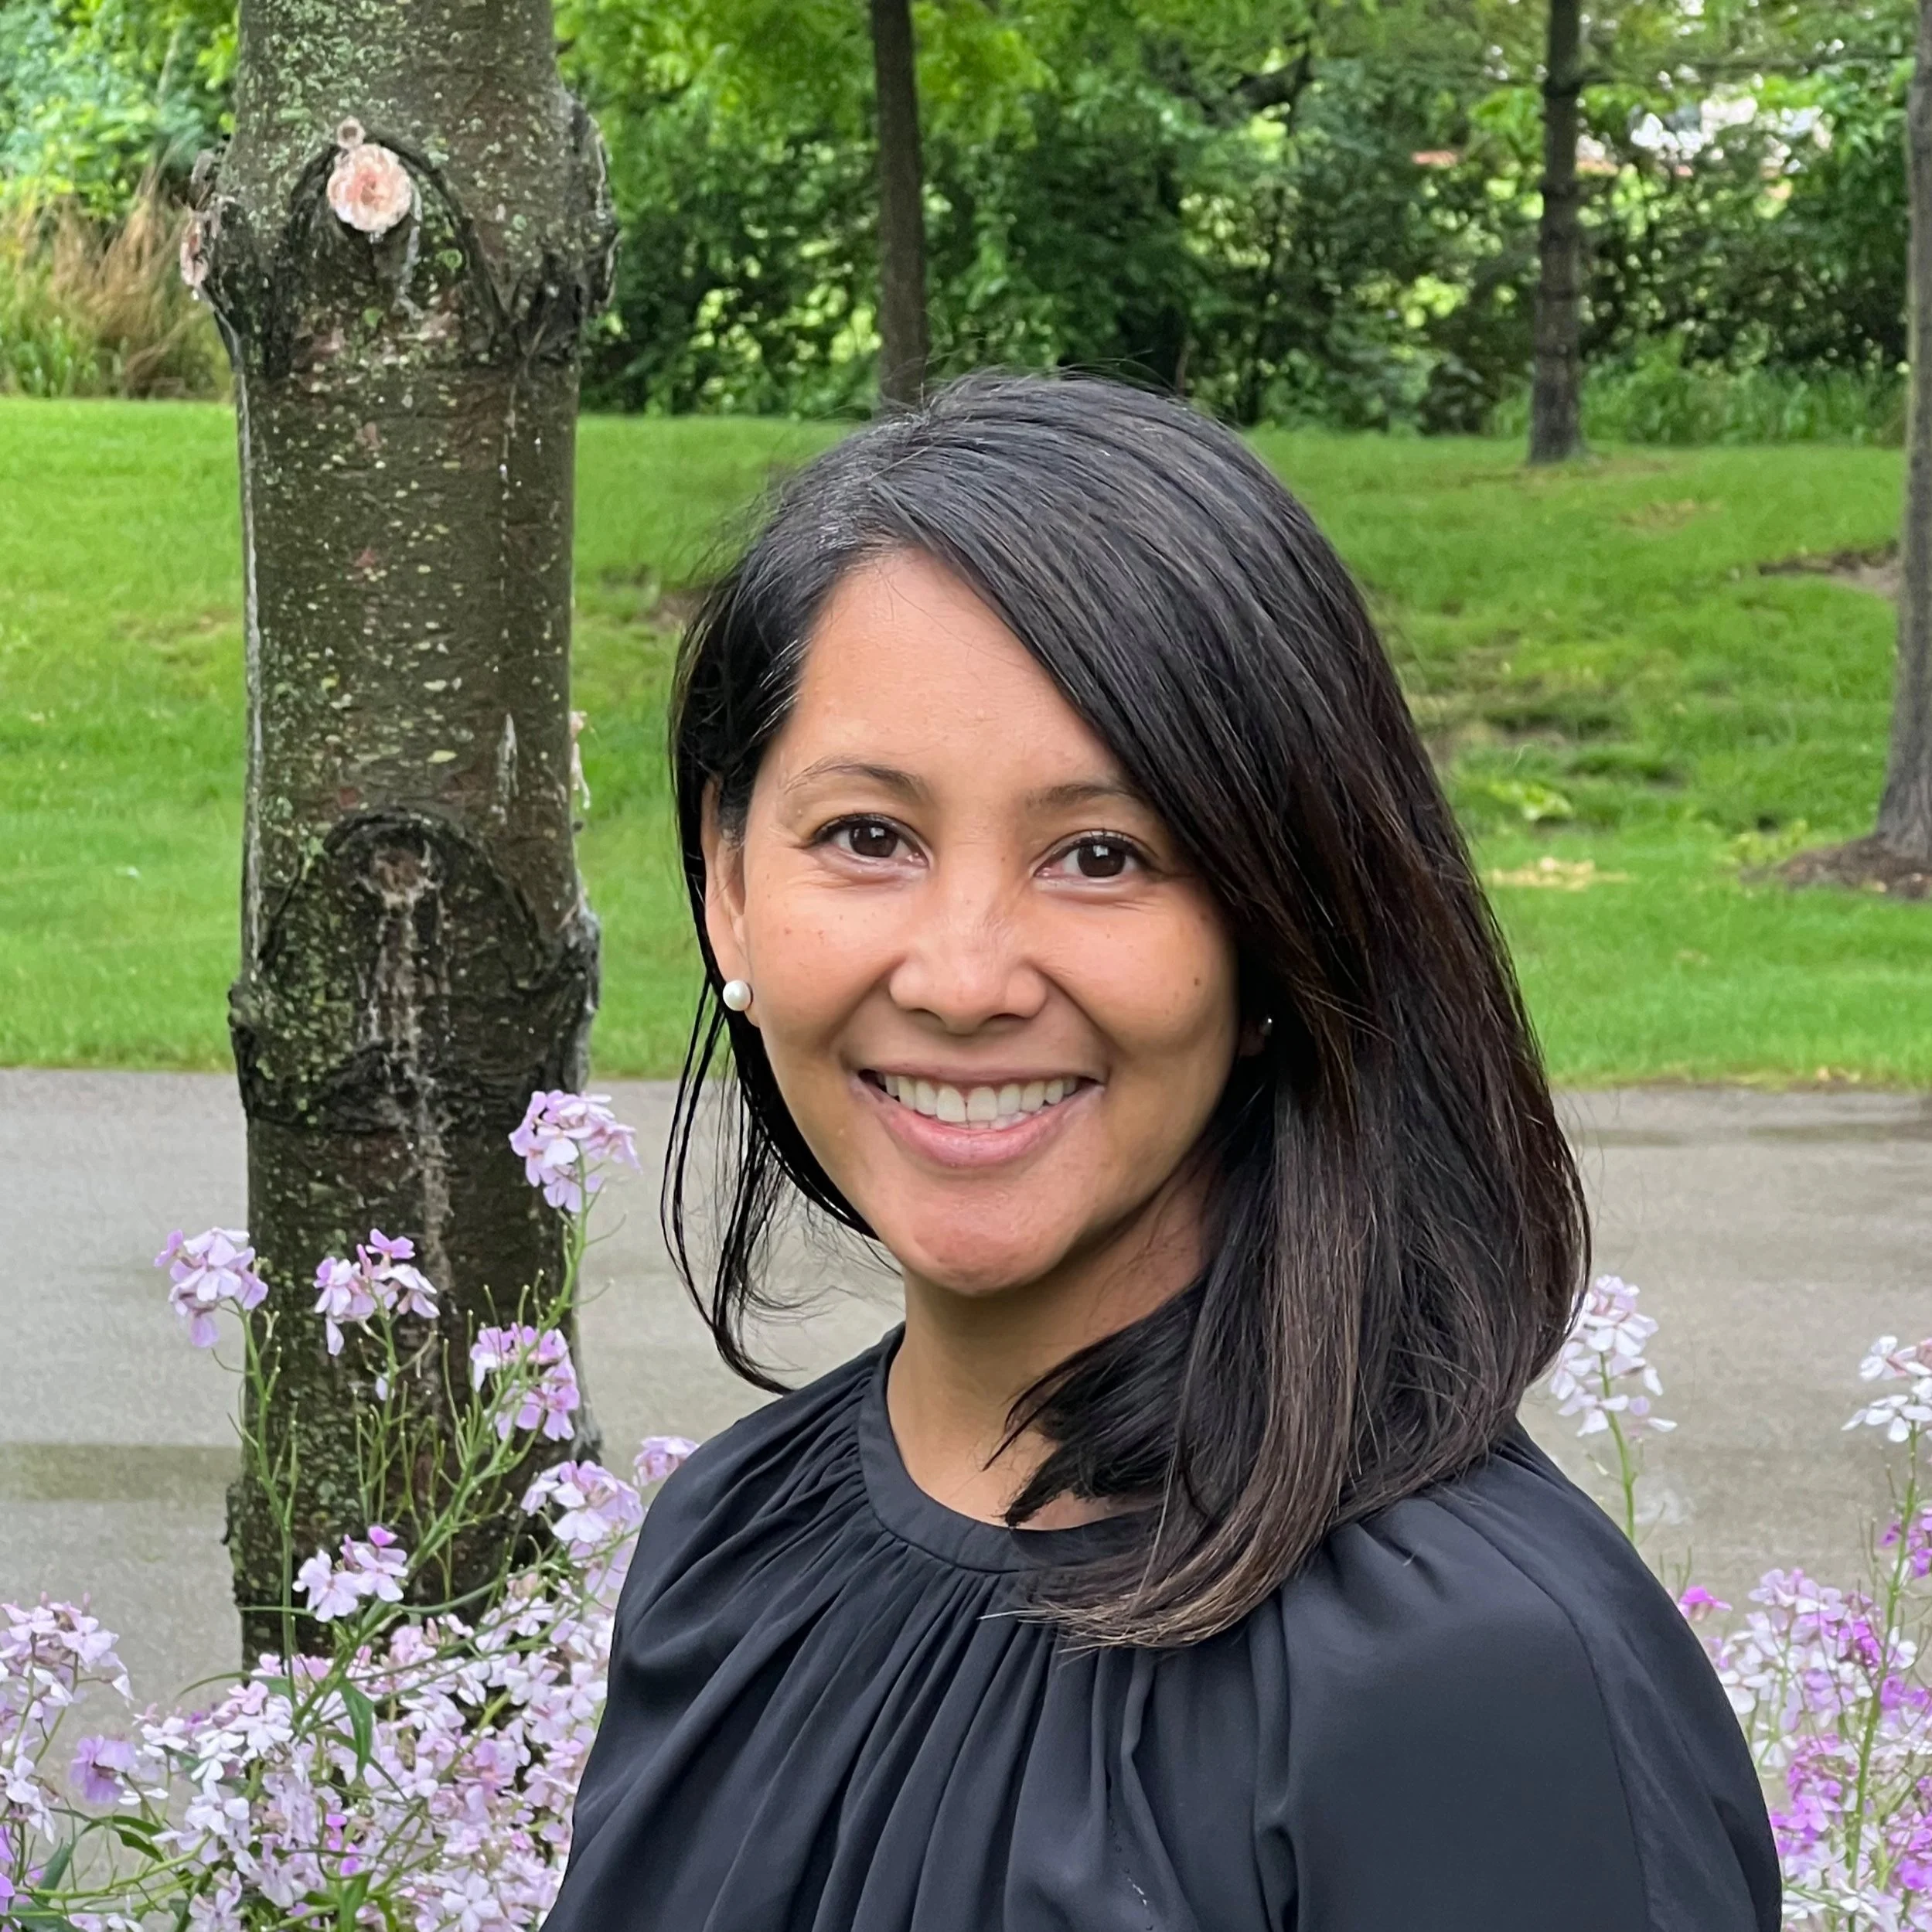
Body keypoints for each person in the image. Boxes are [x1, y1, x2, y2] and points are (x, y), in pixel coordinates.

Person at [543, 373, 1779, 1931]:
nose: (962, 973)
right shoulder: (728, 1544)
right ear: (728, 880)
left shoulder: (1469, 1680)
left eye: (1102, 855)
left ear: (1281, 927)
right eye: (868, 836)